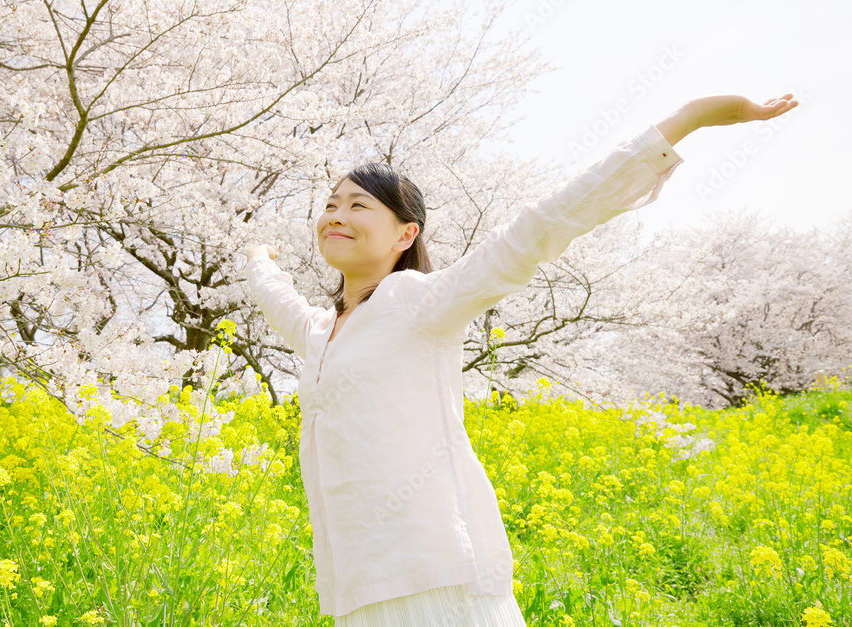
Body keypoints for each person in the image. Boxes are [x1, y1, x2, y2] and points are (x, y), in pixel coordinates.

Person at [244, 94, 798, 626]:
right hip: (355, 582)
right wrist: (258, 257)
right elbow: (277, 298)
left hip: (436, 575)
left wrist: (689, 117)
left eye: (358, 205)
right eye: (330, 205)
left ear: (405, 233)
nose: (335, 216)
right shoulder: (321, 332)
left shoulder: (416, 301)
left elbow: (534, 232)